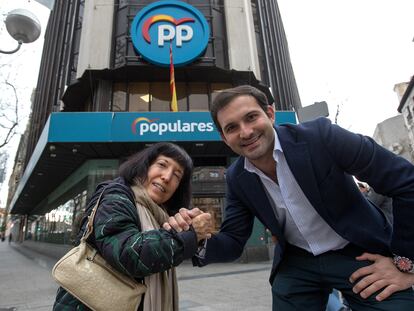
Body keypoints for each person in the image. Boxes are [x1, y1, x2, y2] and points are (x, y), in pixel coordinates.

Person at [165, 85, 414, 310]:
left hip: (358, 251)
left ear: (270, 114)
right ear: (224, 139)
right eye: (232, 128)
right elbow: (233, 240)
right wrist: (194, 238)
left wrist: (405, 263)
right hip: (298, 263)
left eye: (251, 117)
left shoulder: (322, 136)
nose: (246, 132)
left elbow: (405, 181)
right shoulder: (236, 177)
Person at [53, 142, 212, 311]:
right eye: (162, 165)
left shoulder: (162, 215)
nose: (166, 177)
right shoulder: (116, 195)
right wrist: (188, 237)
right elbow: (127, 254)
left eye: (177, 175)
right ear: (144, 166)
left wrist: (192, 231)